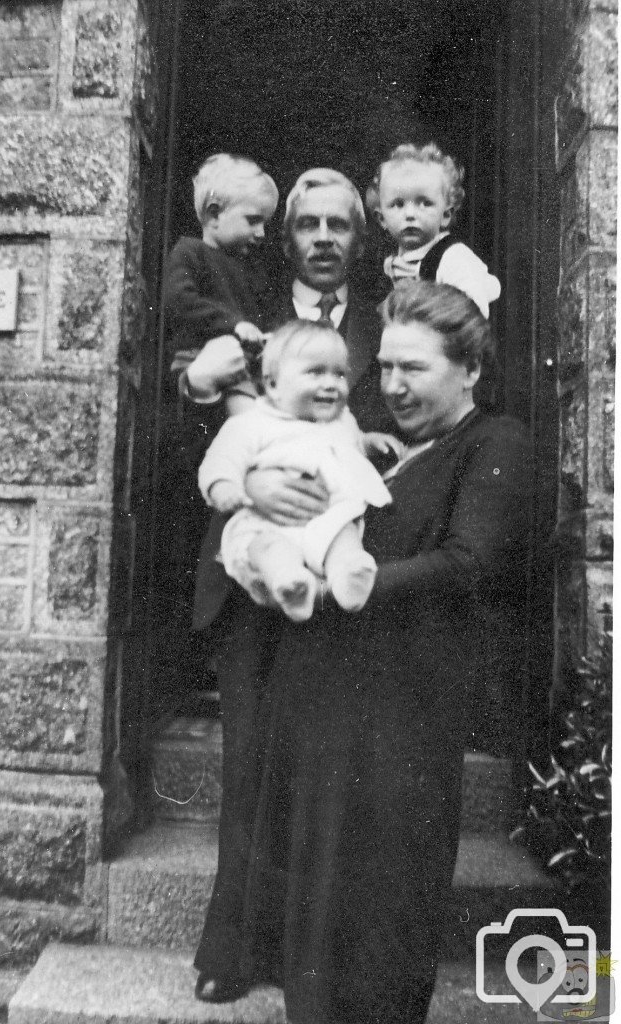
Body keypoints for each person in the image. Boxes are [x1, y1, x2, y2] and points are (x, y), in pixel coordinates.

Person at [200, 280, 532, 1022]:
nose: (393, 385)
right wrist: (254, 484)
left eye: (413, 367)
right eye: (383, 367)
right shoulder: (378, 447)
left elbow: (467, 563)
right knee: (321, 910)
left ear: (470, 369)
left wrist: (351, 586)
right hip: (331, 710)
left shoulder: (492, 441)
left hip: (403, 716)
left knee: (381, 920)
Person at [185, 169, 391, 1003]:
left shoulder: (387, 326)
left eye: (339, 224)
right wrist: (250, 483)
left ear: (359, 237)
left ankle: (314, 954)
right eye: (307, 224)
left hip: (341, 573)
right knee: (249, 764)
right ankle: (232, 952)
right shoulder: (248, 322)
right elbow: (190, 396)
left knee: (327, 772)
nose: (322, 238)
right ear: (286, 237)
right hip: (250, 578)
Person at [198, 321, 393, 621]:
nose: (330, 383)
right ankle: (289, 582)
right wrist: (223, 487)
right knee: (266, 548)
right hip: (268, 523)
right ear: (273, 384)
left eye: (338, 373)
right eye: (315, 373)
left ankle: (348, 575)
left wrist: (369, 443)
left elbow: (350, 445)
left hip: (324, 520)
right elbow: (222, 458)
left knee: (344, 533)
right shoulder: (253, 422)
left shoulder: (343, 421)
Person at [165, 153, 279, 413]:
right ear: (214, 215)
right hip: (199, 359)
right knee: (251, 419)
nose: (261, 233)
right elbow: (181, 302)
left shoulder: (250, 270)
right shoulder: (190, 253)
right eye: (252, 220)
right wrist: (234, 325)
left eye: (265, 223)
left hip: (244, 368)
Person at [374, 142, 501, 317]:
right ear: (382, 219)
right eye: (398, 204)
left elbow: (472, 318)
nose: (410, 214)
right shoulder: (391, 262)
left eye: (425, 203)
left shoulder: (454, 259)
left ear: (446, 215)